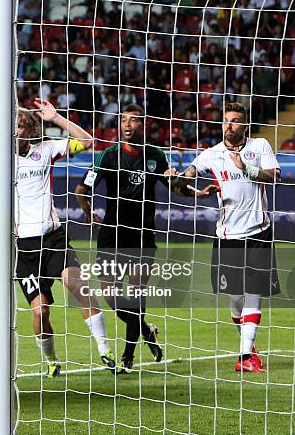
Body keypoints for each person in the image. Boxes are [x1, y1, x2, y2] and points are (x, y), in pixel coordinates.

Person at [0, 98, 118, 378]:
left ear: (32, 128)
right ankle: (51, 359)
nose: (17, 130)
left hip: (53, 238)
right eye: (14, 125)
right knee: (40, 312)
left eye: (22, 125)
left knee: (80, 288)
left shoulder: (46, 149)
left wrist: (56, 117)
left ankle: (105, 349)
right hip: (24, 246)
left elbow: (86, 142)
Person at [75, 104, 209, 373]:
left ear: (143, 124)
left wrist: (196, 192)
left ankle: (128, 356)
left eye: (133, 121)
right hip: (112, 235)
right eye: (124, 120)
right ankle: (147, 331)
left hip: (143, 236)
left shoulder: (155, 156)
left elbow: (174, 186)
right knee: (111, 296)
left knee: (136, 295)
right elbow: (82, 188)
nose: (127, 125)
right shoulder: (109, 156)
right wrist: (88, 212)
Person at [172, 101, 281, 373]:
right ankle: (249, 346)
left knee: (253, 293)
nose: (228, 125)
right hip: (227, 235)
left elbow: (276, 176)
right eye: (226, 120)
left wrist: (248, 169)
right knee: (235, 299)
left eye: (234, 120)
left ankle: (245, 357)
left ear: (244, 125)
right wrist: (179, 179)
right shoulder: (212, 154)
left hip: (258, 231)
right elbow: (189, 175)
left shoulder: (260, 146)